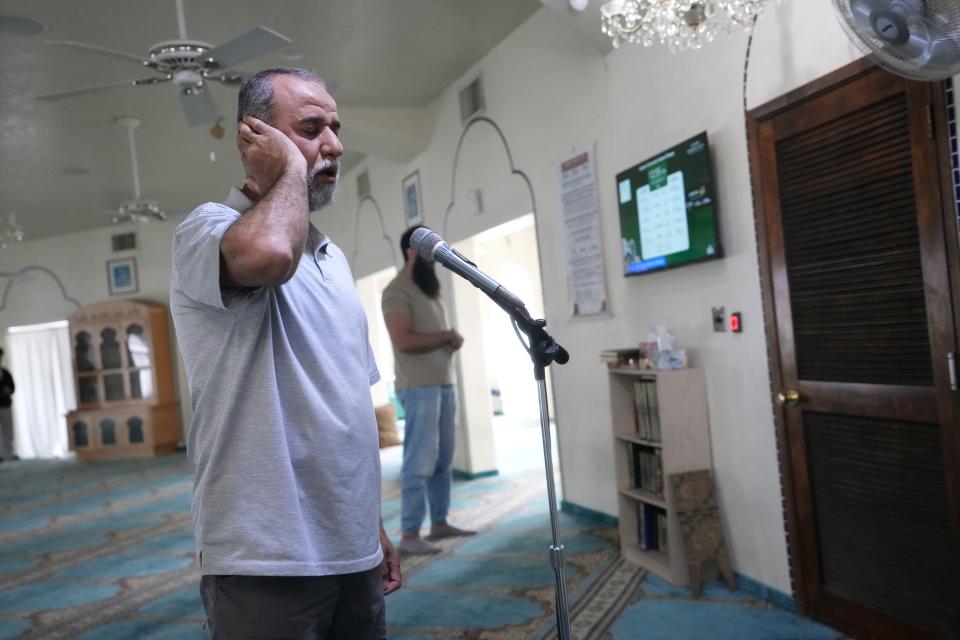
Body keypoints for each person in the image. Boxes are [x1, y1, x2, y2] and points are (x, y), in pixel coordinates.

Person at [170, 68, 400, 640]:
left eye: (336, 128)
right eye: (312, 127)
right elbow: (272, 254)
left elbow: (345, 406)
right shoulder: (207, 231)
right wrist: (292, 170)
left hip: (352, 550)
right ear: (256, 138)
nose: (336, 145)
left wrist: (367, 523)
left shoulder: (334, 260)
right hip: (265, 556)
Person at [382, 226, 475, 555]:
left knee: (442, 459)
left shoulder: (430, 289)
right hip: (419, 389)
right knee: (418, 462)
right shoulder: (396, 290)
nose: (434, 255)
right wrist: (446, 336)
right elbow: (404, 340)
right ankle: (409, 535)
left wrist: (450, 339)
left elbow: (433, 334)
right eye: (427, 248)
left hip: (444, 383)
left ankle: (438, 522)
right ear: (411, 251)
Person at [0, 348, 15, 463]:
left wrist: (8, 390)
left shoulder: (5, 372)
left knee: (8, 431)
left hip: (5, 405)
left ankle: (8, 456)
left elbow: (13, 388)